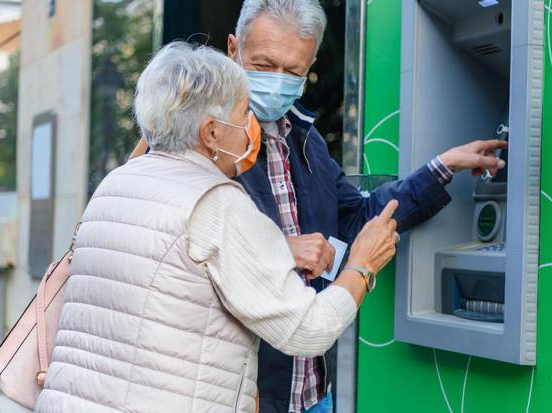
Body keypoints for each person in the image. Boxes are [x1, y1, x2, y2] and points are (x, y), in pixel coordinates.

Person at [131, 2, 507, 412]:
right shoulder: (195, 138)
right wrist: (280, 249)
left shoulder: (306, 141)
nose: (277, 81)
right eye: (264, 64)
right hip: (245, 397)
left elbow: (357, 219)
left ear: (310, 64)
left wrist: (441, 168)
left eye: (292, 71)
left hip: (312, 394)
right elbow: (152, 246)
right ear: (233, 49)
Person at [35, 42, 400, 413]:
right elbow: (307, 329)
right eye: (244, 115)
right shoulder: (218, 203)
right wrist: (362, 264)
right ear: (211, 133)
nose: (252, 128)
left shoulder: (114, 185)